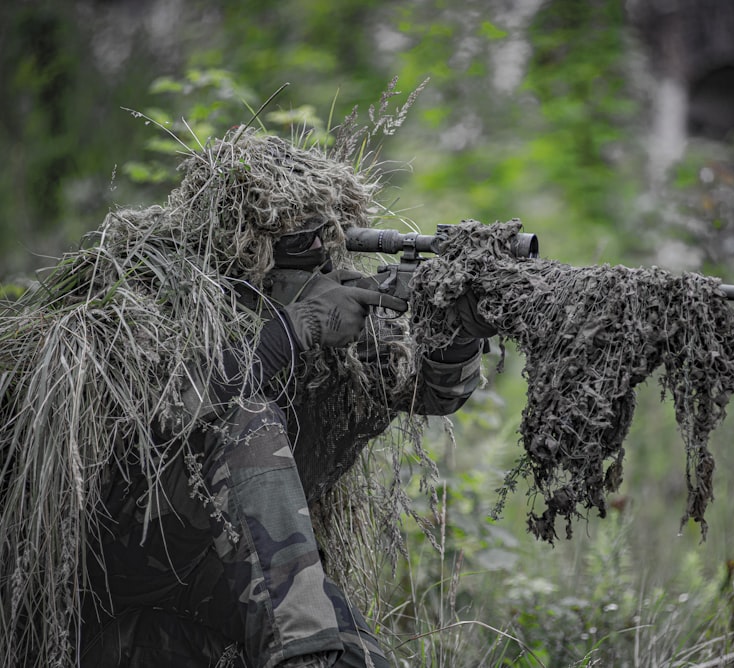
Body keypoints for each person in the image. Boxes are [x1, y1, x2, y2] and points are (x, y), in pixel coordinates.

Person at [0, 128, 492, 667]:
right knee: (246, 420)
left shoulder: (331, 317)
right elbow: (160, 421)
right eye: (301, 249)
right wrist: (291, 330)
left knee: (348, 650)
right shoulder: (148, 294)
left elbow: (427, 390)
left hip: (186, 611)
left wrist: (456, 331)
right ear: (245, 251)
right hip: (93, 600)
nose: (323, 268)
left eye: (330, 246)